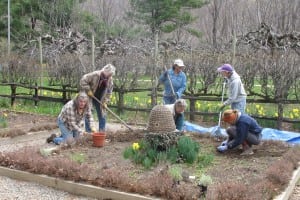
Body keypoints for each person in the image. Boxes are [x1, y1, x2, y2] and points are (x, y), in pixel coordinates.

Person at [80, 64, 115, 132]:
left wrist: (105, 101)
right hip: (89, 96)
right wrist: (88, 90)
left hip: (100, 98)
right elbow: (83, 80)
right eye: (109, 74)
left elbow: (109, 92)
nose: (109, 76)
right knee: (88, 112)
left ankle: (101, 131)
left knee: (102, 113)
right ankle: (88, 131)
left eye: (111, 75)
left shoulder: (110, 80)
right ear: (105, 71)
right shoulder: (95, 75)